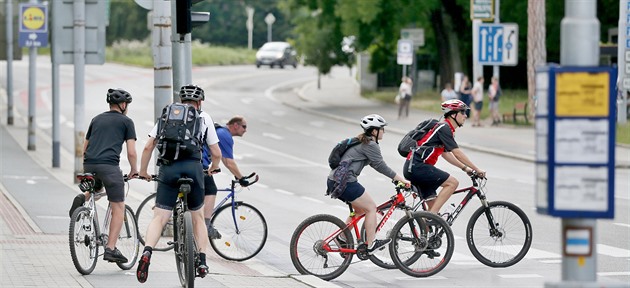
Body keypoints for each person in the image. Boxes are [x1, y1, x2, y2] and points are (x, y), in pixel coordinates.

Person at [136, 84, 222, 283]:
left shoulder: (167, 115)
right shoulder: (204, 117)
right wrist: (212, 168)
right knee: (198, 217)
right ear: (199, 102)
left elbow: (149, 145)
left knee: (159, 217)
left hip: (169, 169)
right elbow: (216, 153)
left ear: (181, 101)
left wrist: (142, 171)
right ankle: (201, 261)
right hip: (193, 168)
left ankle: (147, 252)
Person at [69, 88, 138, 263]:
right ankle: (111, 248)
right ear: (123, 105)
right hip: (109, 166)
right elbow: (131, 152)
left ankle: (83, 198)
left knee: (97, 188)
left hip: (90, 163)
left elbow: (85, 147)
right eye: (127, 105)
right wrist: (134, 169)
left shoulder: (96, 119)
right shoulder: (126, 122)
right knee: (118, 206)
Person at [326, 114, 411, 254]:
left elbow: (374, 164)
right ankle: (371, 244)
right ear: (374, 131)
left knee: (359, 210)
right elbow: (380, 165)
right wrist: (401, 179)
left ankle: (341, 237)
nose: (384, 131)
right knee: (371, 208)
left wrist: (395, 179)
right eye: (382, 129)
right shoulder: (370, 145)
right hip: (344, 182)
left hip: (334, 180)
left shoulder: (363, 142)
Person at [403, 100, 486, 216]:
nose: (465, 116)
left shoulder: (446, 129)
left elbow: (446, 154)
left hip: (415, 167)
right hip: (417, 166)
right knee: (452, 183)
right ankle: (432, 216)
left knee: (432, 210)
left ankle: (427, 226)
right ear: (453, 114)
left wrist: (465, 169)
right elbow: (457, 153)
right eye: (462, 112)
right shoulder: (444, 128)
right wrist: (476, 169)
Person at [201, 116, 250, 240]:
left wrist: (236, 175)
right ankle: (206, 225)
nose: (245, 130)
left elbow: (223, 159)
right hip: (200, 164)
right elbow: (229, 162)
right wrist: (241, 178)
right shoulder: (225, 135)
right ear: (235, 125)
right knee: (211, 189)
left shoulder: (220, 132)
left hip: (196, 162)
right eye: (244, 126)